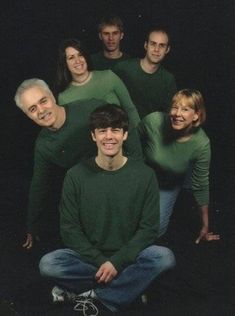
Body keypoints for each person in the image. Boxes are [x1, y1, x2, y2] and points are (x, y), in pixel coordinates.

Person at [39, 104, 176, 313]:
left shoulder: (145, 175)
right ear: (94, 136)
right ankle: (129, 289)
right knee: (49, 264)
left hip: (130, 257)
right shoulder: (75, 175)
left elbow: (148, 229)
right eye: (102, 130)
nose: (109, 137)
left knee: (164, 258)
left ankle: (95, 296)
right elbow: (69, 229)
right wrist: (104, 262)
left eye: (115, 130)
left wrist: (117, 262)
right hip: (90, 259)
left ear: (125, 134)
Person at [14, 79, 107, 249]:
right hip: (89, 190)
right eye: (32, 109)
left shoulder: (90, 108)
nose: (41, 111)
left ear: (52, 97)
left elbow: (125, 130)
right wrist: (32, 224)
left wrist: (137, 171)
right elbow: (39, 185)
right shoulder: (43, 145)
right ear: (28, 115)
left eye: (43, 101)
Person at [138, 89, 220, 243]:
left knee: (155, 231)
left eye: (185, 109)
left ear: (196, 115)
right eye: (175, 107)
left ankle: (185, 183)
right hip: (144, 174)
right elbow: (132, 142)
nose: (177, 113)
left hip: (170, 181)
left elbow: (201, 184)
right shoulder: (154, 121)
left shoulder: (202, 143)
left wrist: (205, 226)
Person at [56, 38, 139, 128]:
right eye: (71, 58)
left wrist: (134, 138)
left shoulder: (108, 76)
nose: (78, 61)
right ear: (65, 63)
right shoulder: (64, 97)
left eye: (80, 55)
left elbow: (130, 109)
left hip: (123, 136)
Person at [113, 26, 177, 119]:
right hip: (120, 127)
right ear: (146, 45)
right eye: (153, 44)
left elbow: (168, 114)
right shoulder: (123, 68)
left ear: (167, 50)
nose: (156, 49)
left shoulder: (168, 79)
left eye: (162, 45)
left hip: (149, 129)